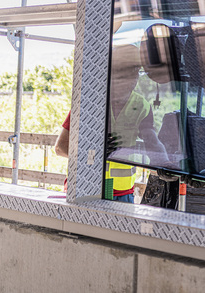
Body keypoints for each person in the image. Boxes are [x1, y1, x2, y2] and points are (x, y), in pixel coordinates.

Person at [55, 44, 165, 203]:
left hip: (123, 194)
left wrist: (170, 164)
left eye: (136, 72)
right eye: (126, 72)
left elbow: (153, 144)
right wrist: (93, 152)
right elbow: (60, 148)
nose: (133, 78)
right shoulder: (87, 102)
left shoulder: (142, 106)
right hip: (84, 189)